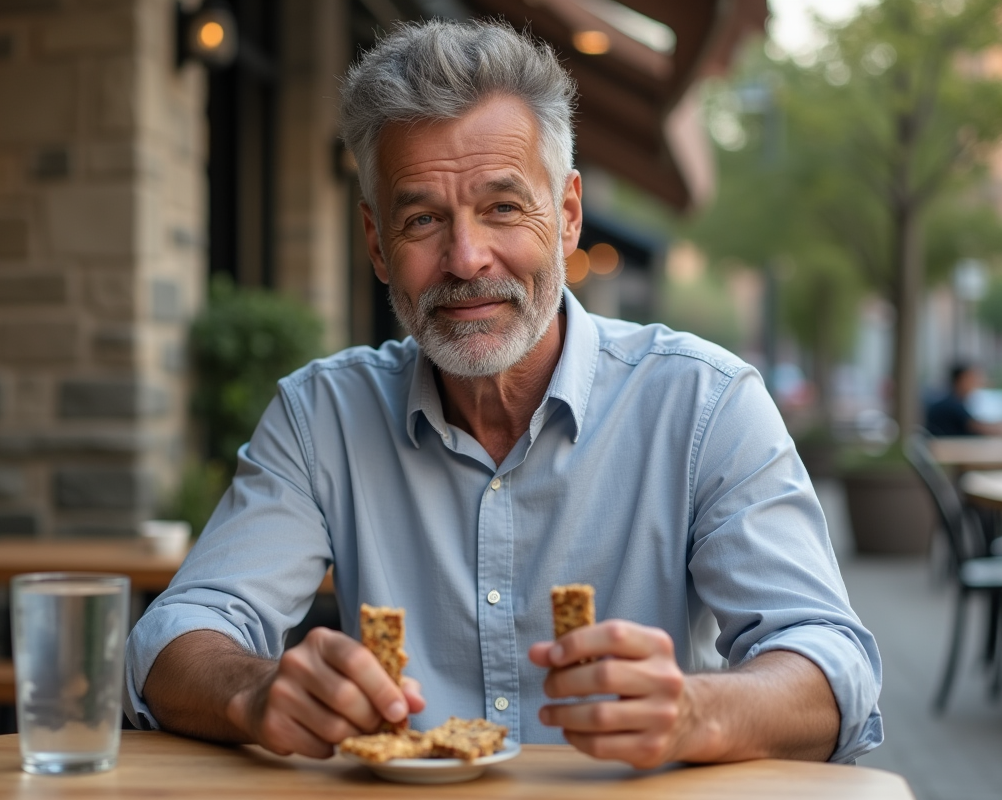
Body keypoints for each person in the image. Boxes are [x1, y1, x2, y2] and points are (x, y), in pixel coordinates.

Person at [125, 20, 882, 768]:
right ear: (374, 242)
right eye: (422, 218)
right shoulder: (321, 417)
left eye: (503, 207)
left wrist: (697, 712)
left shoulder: (703, 404)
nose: (465, 258)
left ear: (569, 218)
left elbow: (829, 663)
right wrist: (255, 693)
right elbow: (174, 637)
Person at [925, 363, 999, 436]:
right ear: (961, 380)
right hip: (948, 446)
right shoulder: (950, 404)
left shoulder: (956, 401)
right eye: (972, 378)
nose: (977, 382)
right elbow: (978, 427)